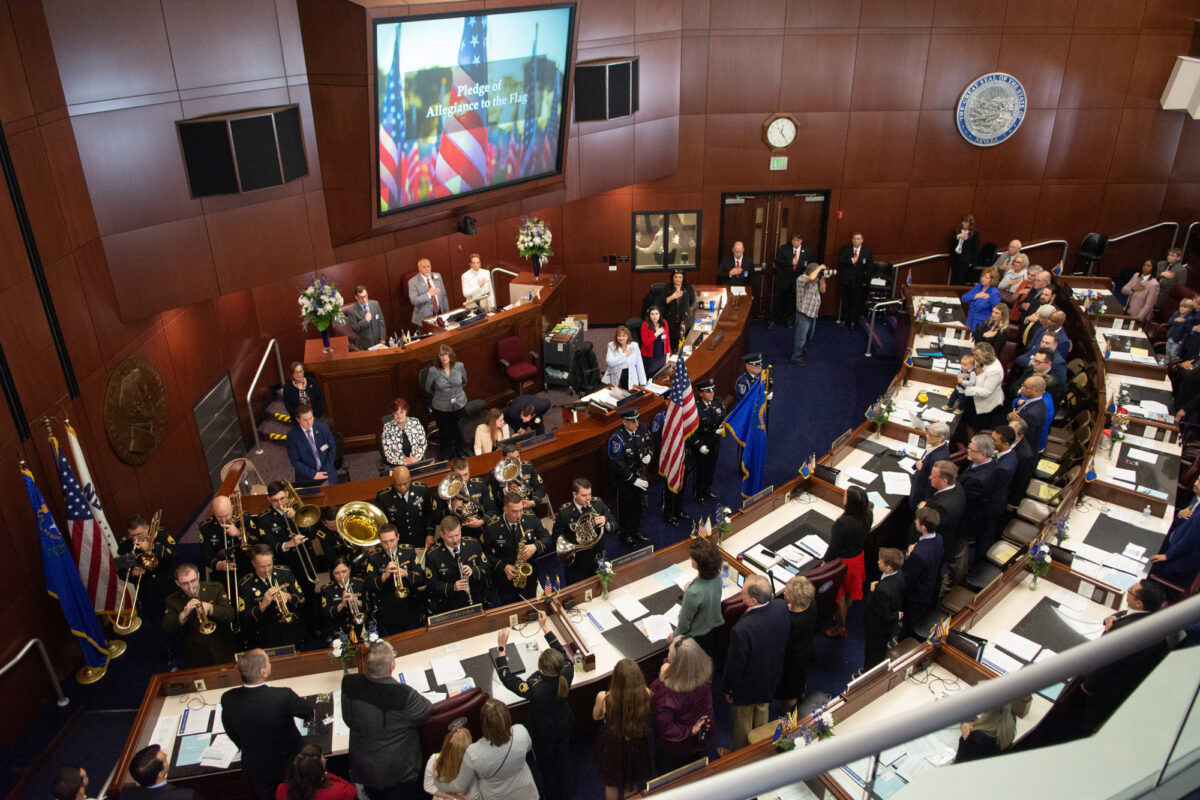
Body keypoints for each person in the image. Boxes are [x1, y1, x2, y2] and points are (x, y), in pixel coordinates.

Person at [341, 640, 434, 800]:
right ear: (392, 666)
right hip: (397, 774)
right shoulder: (404, 695)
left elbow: (348, 720)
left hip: (365, 770)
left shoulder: (349, 683)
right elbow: (426, 710)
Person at [495, 611, 573, 799]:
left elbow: (508, 679)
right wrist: (545, 627)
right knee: (563, 756)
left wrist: (501, 649)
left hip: (543, 732)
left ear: (540, 669)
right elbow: (561, 652)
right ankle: (565, 788)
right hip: (564, 722)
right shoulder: (567, 671)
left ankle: (551, 793)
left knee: (546, 765)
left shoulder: (535, 688)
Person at [1075, 582, 1169, 735]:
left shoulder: (1123, 632)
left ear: (1139, 603)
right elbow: (1128, 614)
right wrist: (1114, 617)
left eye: (1130, 592)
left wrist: (1087, 686)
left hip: (1105, 690)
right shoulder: (1155, 615)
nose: (1127, 592)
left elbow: (1104, 664)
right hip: (1128, 684)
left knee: (1081, 720)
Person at [222, 649, 316, 800]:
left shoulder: (228, 699)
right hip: (290, 768)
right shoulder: (283, 696)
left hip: (257, 770)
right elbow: (307, 710)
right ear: (263, 672)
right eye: (268, 661)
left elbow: (231, 731)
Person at [722, 574, 789, 749]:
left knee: (742, 726)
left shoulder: (742, 629)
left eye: (743, 594)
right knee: (762, 713)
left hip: (747, 687)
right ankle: (760, 747)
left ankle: (740, 756)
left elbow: (735, 665)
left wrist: (728, 688)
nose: (740, 595)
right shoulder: (781, 607)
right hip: (771, 677)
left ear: (752, 601)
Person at [651, 636, 714, 773]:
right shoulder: (705, 675)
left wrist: (690, 730)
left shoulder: (665, 692)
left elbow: (665, 728)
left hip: (678, 746)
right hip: (702, 733)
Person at [593, 659, 654, 799]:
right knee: (630, 782)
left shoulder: (603, 697)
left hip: (612, 743)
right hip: (635, 740)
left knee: (611, 783)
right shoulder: (647, 693)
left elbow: (596, 717)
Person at [458, 699, 538, 800]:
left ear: (484, 724)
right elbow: (528, 748)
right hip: (526, 792)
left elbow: (464, 781)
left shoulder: (473, 752)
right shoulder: (521, 731)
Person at [163, 562, 235, 668]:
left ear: (198, 576)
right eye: (185, 583)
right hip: (195, 655)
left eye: (193, 581)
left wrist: (210, 608)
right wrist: (184, 613)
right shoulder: (172, 600)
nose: (190, 586)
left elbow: (230, 614)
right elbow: (167, 628)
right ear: (178, 583)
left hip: (222, 648)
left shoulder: (215, 588)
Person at [484, 492, 551, 603]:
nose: (519, 515)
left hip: (529, 574)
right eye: (514, 511)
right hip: (506, 577)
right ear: (505, 509)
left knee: (533, 602)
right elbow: (485, 553)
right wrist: (503, 566)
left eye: (521, 510)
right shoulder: (492, 527)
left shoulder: (531, 519)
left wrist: (535, 546)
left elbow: (547, 538)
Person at [822, 485, 870, 638]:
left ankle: (839, 627)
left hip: (843, 564)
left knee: (840, 596)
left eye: (845, 496)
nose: (843, 497)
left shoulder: (841, 524)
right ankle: (842, 616)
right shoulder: (867, 515)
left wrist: (824, 564)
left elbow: (833, 549)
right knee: (850, 592)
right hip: (857, 558)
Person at [239, 543, 304, 649]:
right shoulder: (245, 584)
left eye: (269, 565)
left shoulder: (285, 573)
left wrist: (288, 596)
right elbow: (245, 618)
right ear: (253, 564)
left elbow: (302, 599)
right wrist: (263, 604)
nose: (267, 570)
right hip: (265, 638)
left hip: (290, 632)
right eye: (262, 566)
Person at [553, 478, 616, 585]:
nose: (588, 499)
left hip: (598, 555)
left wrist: (606, 522)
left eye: (589, 494)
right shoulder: (565, 513)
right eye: (584, 495)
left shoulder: (598, 505)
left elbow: (615, 526)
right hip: (577, 561)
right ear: (574, 494)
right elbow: (556, 537)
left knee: (602, 587)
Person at [366, 523, 425, 634]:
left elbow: (421, 578)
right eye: (384, 542)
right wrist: (385, 575)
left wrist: (406, 573)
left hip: (410, 606)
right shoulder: (374, 558)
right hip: (389, 610)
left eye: (392, 540)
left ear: (398, 537)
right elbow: (369, 585)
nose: (389, 545)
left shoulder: (408, 551)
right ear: (380, 541)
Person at [672, 537, 725, 658]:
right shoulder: (718, 576)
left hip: (696, 639)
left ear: (697, 563)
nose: (690, 558)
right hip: (713, 630)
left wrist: (675, 637)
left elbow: (684, 625)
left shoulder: (693, 593)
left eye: (692, 557)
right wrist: (694, 585)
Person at [608, 407, 653, 548]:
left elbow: (651, 443)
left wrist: (649, 455)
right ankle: (625, 534)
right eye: (632, 421)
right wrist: (634, 480)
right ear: (624, 422)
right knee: (625, 508)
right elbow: (618, 463)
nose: (636, 423)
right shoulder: (617, 438)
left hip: (640, 475)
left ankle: (635, 530)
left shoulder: (643, 428)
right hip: (625, 481)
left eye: (637, 419)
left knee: (638, 505)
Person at [425, 516, 488, 613]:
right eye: (450, 537)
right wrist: (452, 587)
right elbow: (431, 586)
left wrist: (474, 571)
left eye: (457, 535)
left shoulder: (473, 544)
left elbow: (487, 568)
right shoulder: (433, 555)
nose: (455, 540)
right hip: (449, 606)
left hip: (476, 601)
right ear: (442, 535)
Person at [957, 435, 1003, 566]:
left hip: (968, 518)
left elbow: (961, 498)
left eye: (971, 449)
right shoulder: (984, 462)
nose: (967, 451)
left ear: (983, 454)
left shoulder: (978, 479)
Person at [776, 575, 817, 713]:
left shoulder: (789, 620)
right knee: (799, 680)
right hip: (806, 648)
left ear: (792, 599)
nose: (784, 593)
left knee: (789, 691)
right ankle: (801, 695)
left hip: (790, 659)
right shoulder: (812, 604)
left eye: (787, 591)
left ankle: (789, 715)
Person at [901, 508, 943, 637]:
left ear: (923, 527)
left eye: (917, 521)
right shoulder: (939, 538)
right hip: (930, 584)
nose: (915, 522)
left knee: (910, 618)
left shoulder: (918, 555)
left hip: (916, 593)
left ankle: (904, 638)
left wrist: (909, 557)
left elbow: (910, 577)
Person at [863, 548, 905, 671]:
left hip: (877, 627)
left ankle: (868, 674)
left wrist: (874, 592)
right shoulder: (899, 575)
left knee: (872, 651)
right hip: (886, 627)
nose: (877, 562)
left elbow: (884, 614)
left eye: (880, 561)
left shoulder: (883, 590)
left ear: (888, 567)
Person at [425, 344, 469, 458]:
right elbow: (428, 388)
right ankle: (447, 451)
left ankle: (460, 449)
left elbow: (464, 382)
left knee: (459, 429)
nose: (444, 357)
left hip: (459, 403)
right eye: (441, 355)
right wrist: (442, 395)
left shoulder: (459, 366)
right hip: (441, 406)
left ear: (450, 355)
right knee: (445, 432)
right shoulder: (433, 371)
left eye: (446, 354)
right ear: (438, 357)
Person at [376, 465, 435, 549]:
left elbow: (429, 513)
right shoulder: (384, 497)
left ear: (410, 479)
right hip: (399, 544)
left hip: (421, 539)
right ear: (393, 482)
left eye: (405, 483)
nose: (402, 487)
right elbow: (383, 524)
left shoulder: (421, 490)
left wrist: (430, 534)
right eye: (398, 485)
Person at [688, 379, 725, 505]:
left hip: (715, 440)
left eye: (712, 390)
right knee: (701, 469)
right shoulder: (696, 407)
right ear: (701, 393)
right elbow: (691, 430)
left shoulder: (718, 401)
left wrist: (722, 427)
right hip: (702, 441)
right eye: (708, 391)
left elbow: (723, 416)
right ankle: (698, 493)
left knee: (711, 466)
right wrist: (699, 445)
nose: (711, 393)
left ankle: (707, 487)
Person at [437, 458, 496, 533]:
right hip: (458, 535)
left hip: (482, 530)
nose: (463, 479)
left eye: (466, 474)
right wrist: (450, 509)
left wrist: (481, 521)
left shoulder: (479, 485)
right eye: (459, 476)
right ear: (452, 473)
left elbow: (492, 509)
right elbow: (437, 520)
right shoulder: (444, 491)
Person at [277, 744, 356, 800]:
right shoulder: (338, 791)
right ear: (318, 770)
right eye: (323, 759)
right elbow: (352, 791)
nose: (324, 760)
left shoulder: (281, 790)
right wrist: (327, 774)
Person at [487, 442, 547, 512]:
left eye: (518, 457)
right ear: (504, 459)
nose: (516, 461)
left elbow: (541, 488)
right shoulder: (495, 474)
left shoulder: (528, 467)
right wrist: (506, 490)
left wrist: (532, 502)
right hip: (508, 512)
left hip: (529, 509)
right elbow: (493, 499)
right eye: (512, 458)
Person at [286, 404, 337, 485]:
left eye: (311, 418)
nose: (309, 422)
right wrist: (314, 474)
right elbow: (295, 461)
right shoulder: (292, 436)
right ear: (298, 420)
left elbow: (332, 449)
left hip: (327, 471)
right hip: (307, 476)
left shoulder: (323, 428)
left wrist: (325, 469)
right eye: (305, 420)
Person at [961, 342, 1005, 435]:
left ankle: (972, 444)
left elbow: (986, 392)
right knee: (967, 423)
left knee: (975, 427)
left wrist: (967, 387)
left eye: (977, 355)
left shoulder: (994, 371)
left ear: (985, 356)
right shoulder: (982, 362)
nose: (974, 357)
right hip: (974, 398)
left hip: (984, 405)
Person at [124, 744, 197, 799]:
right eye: (165, 759)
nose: (166, 754)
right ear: (160, 774)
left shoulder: (125, 795)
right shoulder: (187, 796)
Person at [321, 556, 369, 640]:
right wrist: (342, 604)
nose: (341, 576)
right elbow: (327, 614)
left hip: (360, 629)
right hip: (339, 630)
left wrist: (357, 602)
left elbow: (369, 606)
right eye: (337, 573)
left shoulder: (360, 584)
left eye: (344, 571)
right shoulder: (327, 590)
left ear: (349, 569)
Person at [423, 728, 478, 800]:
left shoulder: (433, 760)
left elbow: (428, 787)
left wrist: (452, 797)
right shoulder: (472, 765)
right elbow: (474, 795)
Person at [908, 422, 950, 509]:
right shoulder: (935, 446)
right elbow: (924, 461)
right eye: (927, 433)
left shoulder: (938, 458)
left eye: (930, 435)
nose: (926, 436)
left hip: (919, 495)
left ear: (940, 438)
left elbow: (932, 485)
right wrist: (917, 464)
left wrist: (926, 502)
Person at [791, 261, 826, 365]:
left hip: (813, 313)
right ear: (810, 271)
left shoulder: (816, 279)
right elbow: (810, 278)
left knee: (809, 336)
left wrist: (822, 277)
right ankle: (796, 357)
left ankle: (802, 350)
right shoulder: (801, 278)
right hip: (803, 313)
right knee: (800, 337)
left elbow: (823, 290)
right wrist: (820, 267)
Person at [772, 233, 811, 328]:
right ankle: (773, 320)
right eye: (794, 240)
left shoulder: (807, 250)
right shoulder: (784, 249)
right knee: (778, 301)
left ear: (801, 241)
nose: (795, 242)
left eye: (797, 240)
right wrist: (790, 262)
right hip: (783, 280)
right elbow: (777, 262)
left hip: (796, 281)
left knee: (791, 302)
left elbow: (808, 265)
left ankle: (788, 319)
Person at [836, 232, 872, 327]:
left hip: (859, 281)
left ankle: (852, 321)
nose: (856, 241)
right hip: (846, 280)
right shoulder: (846, 249)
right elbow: (840, 261)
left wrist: (866, 281)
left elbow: (869, 268)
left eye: (858, 239)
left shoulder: (867, 251)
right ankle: (844, 319)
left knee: (855, 302)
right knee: (845, 301)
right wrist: (852, 260)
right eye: (854, 238)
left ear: (862, 240)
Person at [1009, 375, 1053, 451]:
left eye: (1026, 387)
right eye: (1023, 385)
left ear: (1036, 391)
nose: (1022, 389)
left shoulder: (1032, 414)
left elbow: (1024, 440)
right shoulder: (1034, 400)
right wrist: (1010, 416)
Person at [381, 398, 427, 467]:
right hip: (398, 464)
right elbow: (388, 452)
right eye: (396, 413)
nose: (399, 416)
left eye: (401, 412)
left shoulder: (415, 422)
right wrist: (404, 461)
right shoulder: (387, 427)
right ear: (393, 414)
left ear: (406, 411)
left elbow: (422, 443)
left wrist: (416, 458)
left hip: (416, 461)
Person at [603, 325, 646, 390]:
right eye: (619, 336)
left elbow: (639, 364)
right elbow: (610, 362)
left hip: (631, 376)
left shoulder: (634, 345)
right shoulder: (611, 345)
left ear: (627, 336)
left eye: (623, 336)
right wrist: (625, 355)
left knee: (631, 397)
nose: (621, 338)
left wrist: (643, 382)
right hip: (617, 376)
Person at [408, 258, 448, 326]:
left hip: (440, 314)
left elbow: (444, 295)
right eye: (424, 267)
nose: (427, 269)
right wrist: (429, 294)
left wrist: (447, 312)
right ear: (419, 268)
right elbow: (414, 300)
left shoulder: (437, 276)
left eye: (428, 266)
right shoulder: (412, 282)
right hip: (424, 317)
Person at [346, 285, 387, 349]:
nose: (364, 299)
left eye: (365, 296)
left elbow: (381, 322)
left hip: (379, 342)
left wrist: (382, 338)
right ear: (356, 297)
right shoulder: (352, 311)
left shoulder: (375, 304)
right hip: (364, 346)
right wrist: (366, 320)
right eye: (361, 297)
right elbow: (355, 328)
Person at [662, 269, 696, 346]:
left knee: (683, 342)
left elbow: (692, 301)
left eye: (680, 277)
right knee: (673, 343)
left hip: (684, 319)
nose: (678, 279)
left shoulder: (688, 287)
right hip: (671, 320)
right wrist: (672, 297)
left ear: (683, 278)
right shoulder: (667, 288)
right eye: (676, 277)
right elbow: (662, 302)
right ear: (672, 278)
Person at [640, 305, 671, 378]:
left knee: (661, 376)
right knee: (651, 378)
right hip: (650, 357)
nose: (655, 316)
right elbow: (645, 342)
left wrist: (668, 354)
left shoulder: (664, 322)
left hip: (662, 355)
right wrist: (656, 334)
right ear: (649, 315)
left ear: (660, 314)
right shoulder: (645, 325)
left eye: (657, 314)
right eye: (652, 314)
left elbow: (667, 339)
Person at [948, 214, 979, 286]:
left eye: (966, 222)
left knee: (960, 279)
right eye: (963, 221)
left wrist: (972, 261)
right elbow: (950, 242)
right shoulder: (958, 230)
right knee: (953, 278)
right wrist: (957, 237)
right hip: (955, 258)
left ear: (970, 223)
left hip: (965, 260)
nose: (964, 223)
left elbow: (975, 248)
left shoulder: (974, 233)